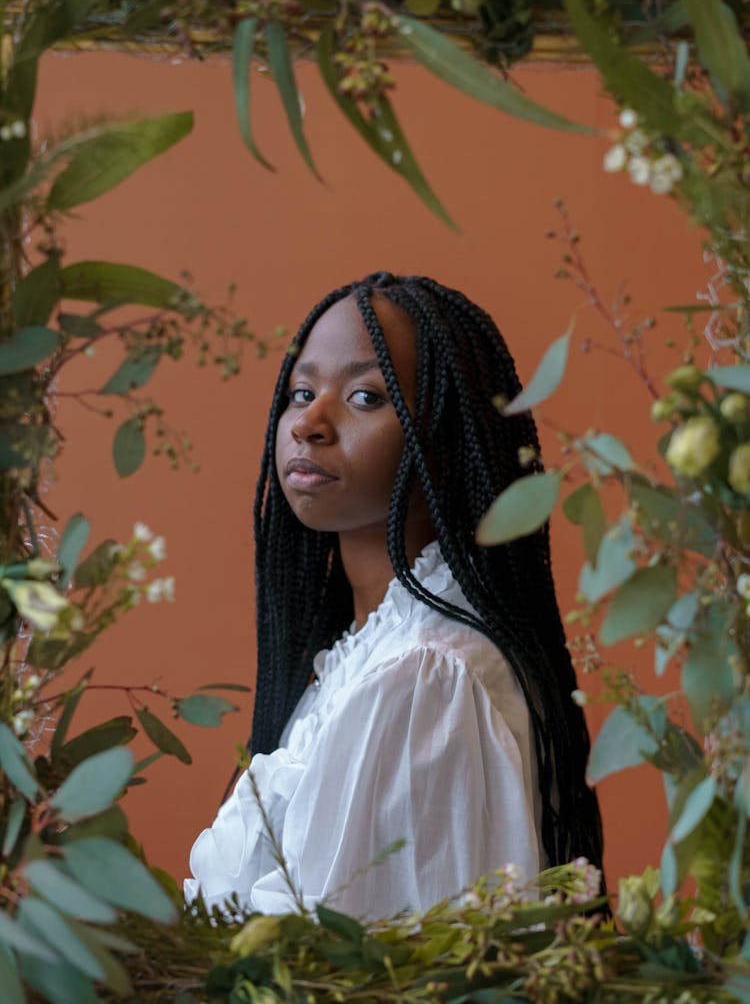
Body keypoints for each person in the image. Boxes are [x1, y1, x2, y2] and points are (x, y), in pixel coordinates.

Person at [184, 272, 604, 920]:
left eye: (364, 395)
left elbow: (341, 979)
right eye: (301, 391)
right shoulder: (360, 659)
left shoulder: (423, 679)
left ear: (443, 438)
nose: (310, 423)